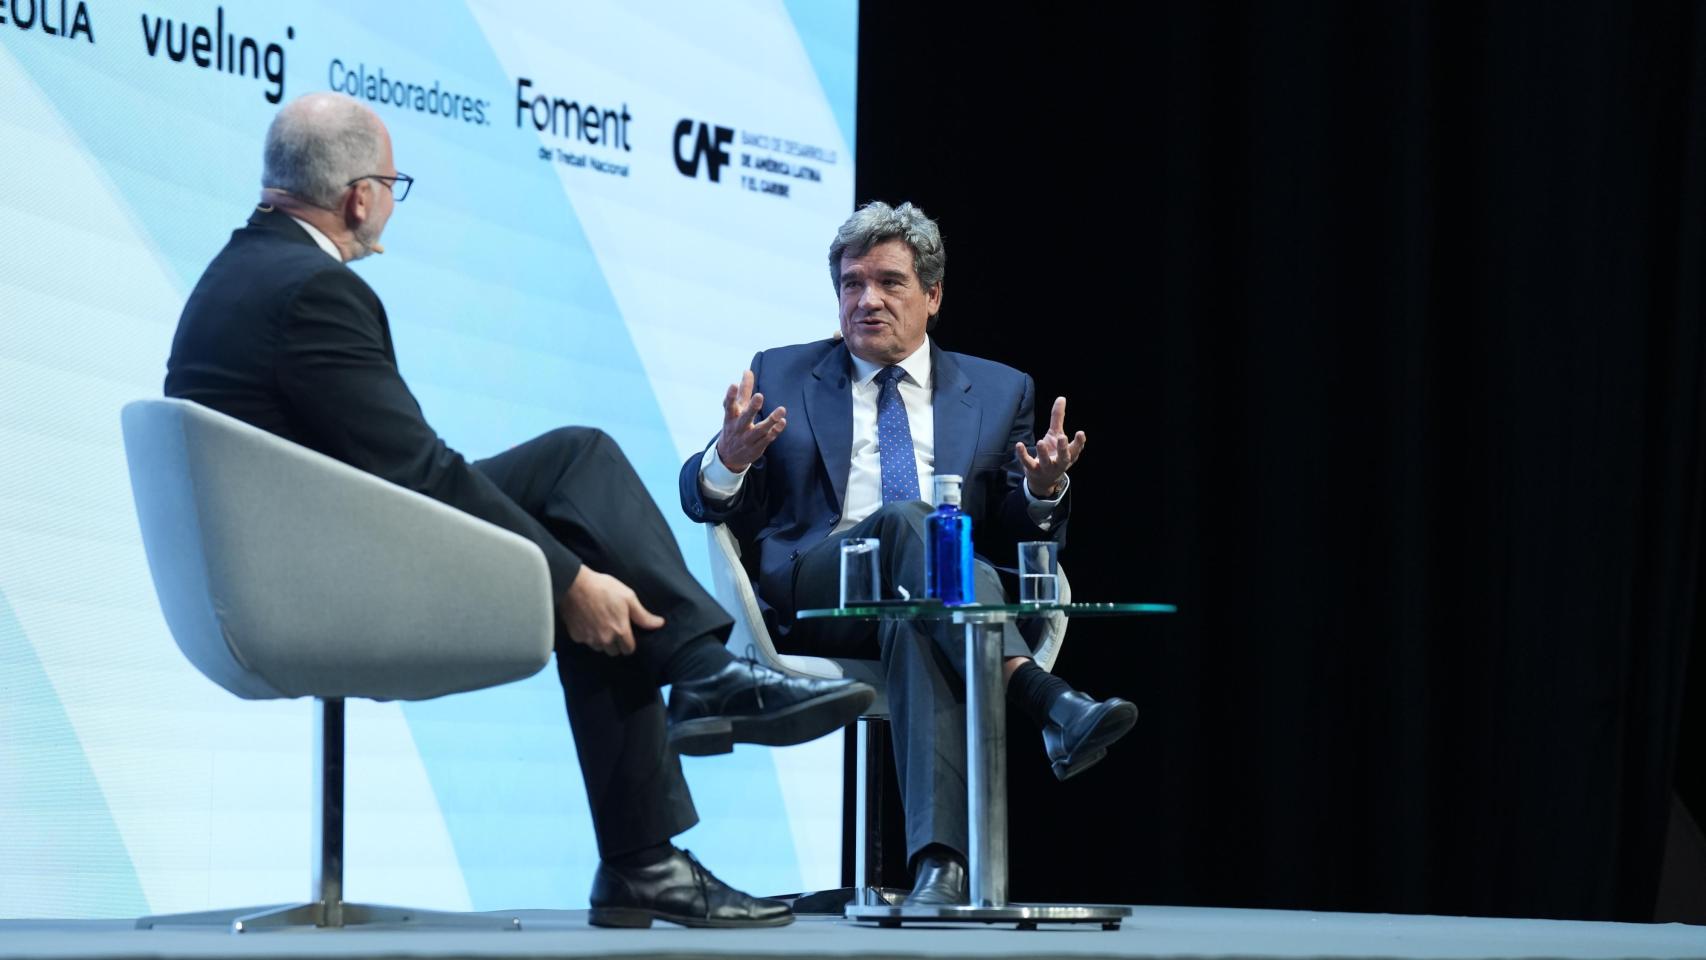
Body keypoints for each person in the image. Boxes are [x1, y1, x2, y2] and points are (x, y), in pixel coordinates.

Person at [163, 92, 875, 929]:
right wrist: (571, 583)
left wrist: (576, 571)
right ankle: (696, 703)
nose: (392, 200)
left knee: (578, 466)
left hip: (285, 566)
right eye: (393, 183)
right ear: (360, 195)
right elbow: (417, 472)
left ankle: (666, 794)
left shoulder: (242, 270)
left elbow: (394, 472)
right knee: (584, 529)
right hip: (319, 589)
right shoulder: (313, 291)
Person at [678, 201, 1138, 906]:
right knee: (910, 522)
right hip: (820, 590)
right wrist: (728, 462)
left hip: (939, 605)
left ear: (934, 295)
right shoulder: (784, 371)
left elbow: (1024, 533)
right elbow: (702, 498)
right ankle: (1039, 694)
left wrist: (1045, 490)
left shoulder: (996, 390)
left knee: (918, 610)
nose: (867, 300)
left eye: (889, 282)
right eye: (850, 283)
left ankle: (938, 871)